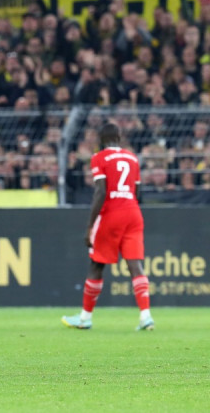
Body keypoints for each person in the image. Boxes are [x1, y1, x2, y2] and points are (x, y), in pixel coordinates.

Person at [62, 123, 154, 331]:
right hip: (133, 212)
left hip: (112, 213)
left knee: (97, 264)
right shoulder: (132, 158)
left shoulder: (99, 158)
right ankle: (146, 316)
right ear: (119, 138)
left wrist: (90, 225)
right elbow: (138, 192)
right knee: (135, 264)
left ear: (101, 140)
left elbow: (101, 192)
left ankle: (85, 318)